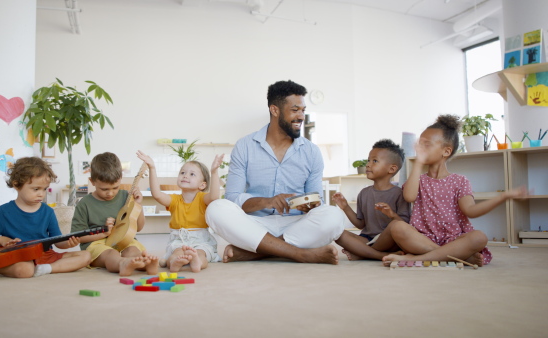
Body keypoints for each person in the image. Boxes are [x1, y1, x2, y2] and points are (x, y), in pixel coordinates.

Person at [205, 80, 348, 265]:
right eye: (295, 110)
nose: (301, 116)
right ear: (275, 110)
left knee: (334, 217)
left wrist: (309, 204)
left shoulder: (311, 151)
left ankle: (258, 252)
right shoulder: (245, 146)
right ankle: (300, 254)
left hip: (296, 224)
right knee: (216, 209)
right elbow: (233, 199)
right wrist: (268, 202)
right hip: (255, 224)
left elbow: (317, 199)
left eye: (303, 110)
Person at [381, 115, 528, 266]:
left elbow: (471, 211)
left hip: (454, 239)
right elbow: (409, 196)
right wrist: (418, 162)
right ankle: (454, 255)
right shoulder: (418, 179)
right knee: (398, 227)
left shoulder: (460, 181)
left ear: (446, 151)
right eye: (420, 144)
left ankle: (415, 258)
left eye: (427, 144)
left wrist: (502, 197)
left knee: (479, 237)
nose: (420, 148)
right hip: (422, 238)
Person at [0, 157, 91, 278]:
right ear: (17, 185)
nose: (41, 194)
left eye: (44, 189)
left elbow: (57, 242)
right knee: (24, 270)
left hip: (45, 255)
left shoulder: (48, 211)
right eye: (36, 189)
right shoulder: (5, 211)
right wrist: (3, 240)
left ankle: (46, 269)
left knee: (86, 256)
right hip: (17, 257)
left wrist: (69, 243)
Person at [71, 152, 159, 276]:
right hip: (97, 244)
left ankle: (144, 263)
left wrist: (138, 205)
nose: (110, 193)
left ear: (121, 178)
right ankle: (121, 264)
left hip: (124, 240)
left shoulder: (126, 197)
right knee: (111, 254)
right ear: (92, 181)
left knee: (132, 250)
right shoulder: (84, 204)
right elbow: (78, 237)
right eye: (104, 189)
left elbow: (138, 227)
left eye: (115, 188)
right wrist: (102, 233)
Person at [137, 150, 224, 272]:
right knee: (176, 252)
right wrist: (152, 167)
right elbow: (157, 194)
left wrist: (214, 172)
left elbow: (214, 196)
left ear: (202, 185)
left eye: (192, 174)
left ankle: (197, 262)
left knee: (201, 253)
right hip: (179, 240)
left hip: (201, 240)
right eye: (182, 172)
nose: (185, 175)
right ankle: (174, 263)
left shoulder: (203, 198)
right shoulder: (174, 199)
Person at [333, 139, 410, 261]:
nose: (368, 164)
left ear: (392, 169)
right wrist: (345, 207)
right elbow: (360, 224)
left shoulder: (399, 193)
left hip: (389, 241)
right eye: (368, 160)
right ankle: (378, 255)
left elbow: (404, 226)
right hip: (367, 239)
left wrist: (392, 215)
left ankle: (363, 252)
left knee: (394, 226)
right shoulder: (364, 193)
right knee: (337, 234)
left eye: (375, 161)